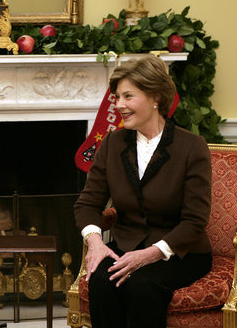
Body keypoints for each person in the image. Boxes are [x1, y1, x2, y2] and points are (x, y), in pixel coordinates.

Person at [74, 55, 212, 328]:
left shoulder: (192, 147)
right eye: (116, 97)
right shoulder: (112, 143)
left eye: (128, 96)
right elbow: (87, 203)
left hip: (180, 252)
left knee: (143, 285)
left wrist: (151, 254)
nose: (119, 105)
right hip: (126, 245)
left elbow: (195, 220)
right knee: (101, 281)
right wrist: (96, 242)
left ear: (155, 97)